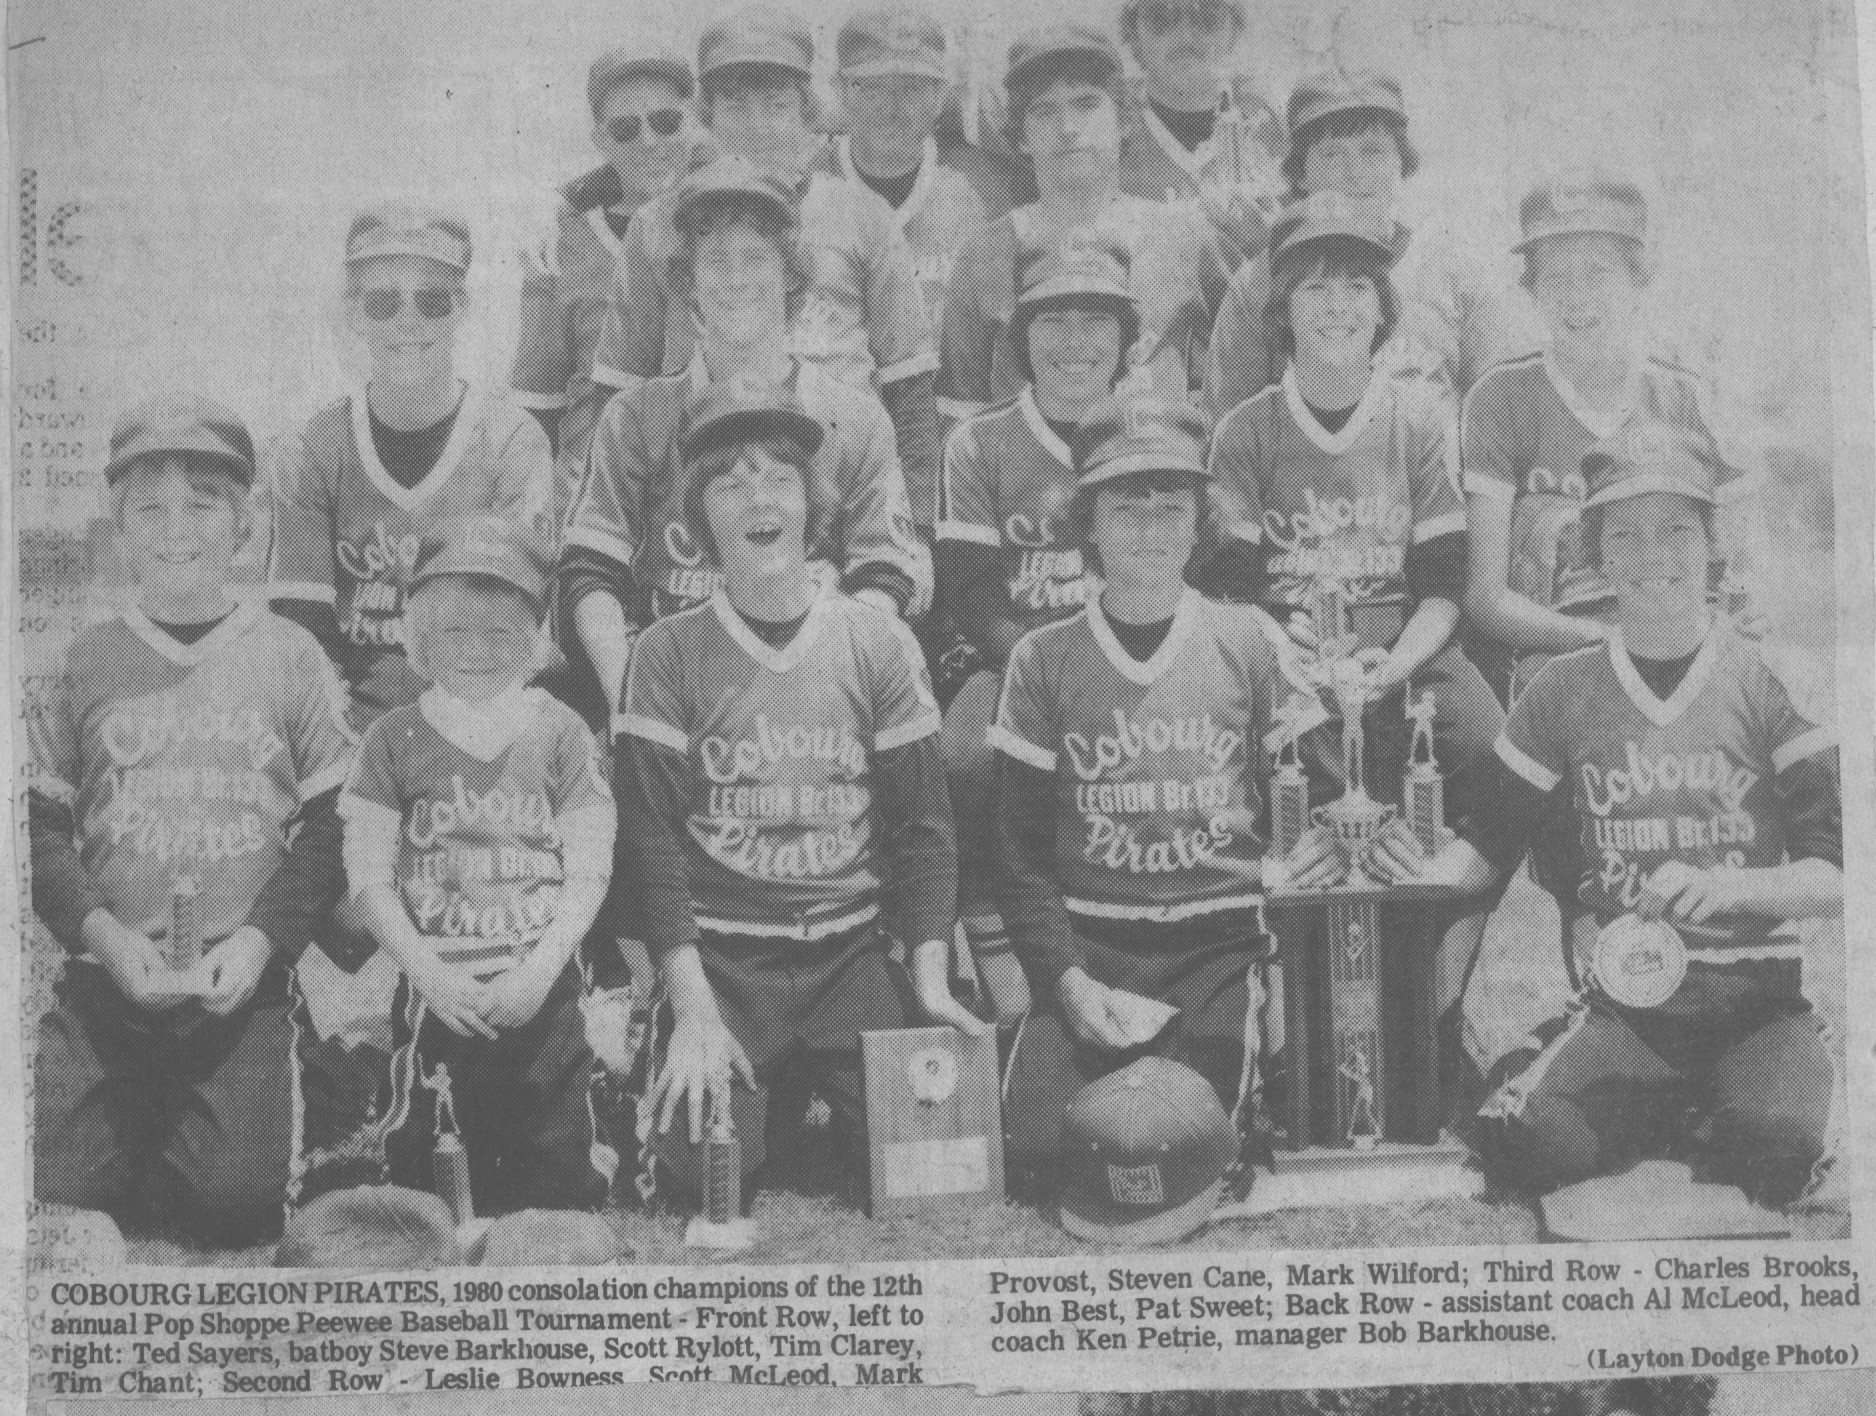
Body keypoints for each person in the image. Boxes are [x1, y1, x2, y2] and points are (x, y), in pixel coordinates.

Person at [1393, 424, 1840, 1210]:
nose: (1652, 554)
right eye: (1624, 534)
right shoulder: (1561, 690)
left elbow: (1837, 875)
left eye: (1675, 528)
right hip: (1629, 1006)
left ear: (1710, 543)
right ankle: (1647, 1102)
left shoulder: (1768, 677)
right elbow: (1484, 852)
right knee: (1525, 1146)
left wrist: (1731, 889)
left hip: (1756, 1004)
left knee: (1778, 1158)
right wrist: (1397, 867)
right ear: (1598, 556)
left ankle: (1721, 1100)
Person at [614, 382, 982, 1204]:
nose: (758, 498)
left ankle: (806, 1085)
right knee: (700, 1177)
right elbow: (653, 844)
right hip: (725, 958)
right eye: (729, 483)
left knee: (924, 1163)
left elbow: (925, 828)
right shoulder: (665, 652)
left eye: (779, 477)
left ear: (811, 504)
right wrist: (693, 1006)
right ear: (699, 519)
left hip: (846, 951)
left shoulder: (875, 638)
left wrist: (927, 974)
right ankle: (743, 1086)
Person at [1199, 195, 1504, 1105]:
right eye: (1314, 288)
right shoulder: (1247, 428)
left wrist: (1397, 664)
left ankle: (1441, 1006)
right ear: (1283, 312)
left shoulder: (1414, 418)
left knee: (1491, 755)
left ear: (1383, 309)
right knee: (1278, 790)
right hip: (1286, 647)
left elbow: (1444, 583)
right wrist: (1304, 661)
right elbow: (1241, 591)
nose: (1335, 306)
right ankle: (1288, 1021)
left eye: (1355, 288)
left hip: (1403, 643)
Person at [29, 398, 355, 1247]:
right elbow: (41, 833)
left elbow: (330, 832)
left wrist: (260, 944)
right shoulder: (81, 657)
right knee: (58, 1192)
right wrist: (101, 932)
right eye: (151, 508)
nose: (177, 529)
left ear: (243, 524)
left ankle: (257, 1099)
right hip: (111, 974)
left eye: (204, 504)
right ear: (120, 530)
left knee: (231, 1210)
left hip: (233, 983)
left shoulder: (289, 654)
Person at [992, 390, 1322, 1158]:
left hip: (1217, 942)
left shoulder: (1247, 638)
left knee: (1194, 1133)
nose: (1148, 530)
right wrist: (1068, 984)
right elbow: (1018, 856)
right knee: (1040, 1149)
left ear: (1200, 524)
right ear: (1089, 526)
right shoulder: (1042, 659)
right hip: (1094, 943)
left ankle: (1259, 1045)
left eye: (1170, 508)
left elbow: (1318, 785)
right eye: (1125, 509)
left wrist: (1290, 868)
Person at [561, 160, 924, 720]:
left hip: (810, 701)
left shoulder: (853, 415)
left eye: (758, 259)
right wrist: (632, 702)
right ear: (687, 283)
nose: (737, 280)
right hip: (669, 687)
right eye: (716, 262)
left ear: (792, 279)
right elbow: (590, 573)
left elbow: (884, 575)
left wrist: (819, 682)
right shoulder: (637, 414)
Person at [333, 514, 617, 1214]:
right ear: (420, 639)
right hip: (440, 990)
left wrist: (541, 969)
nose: (477, 650)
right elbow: (369, 879)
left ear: (533, 639)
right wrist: (428, 974)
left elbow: (589, 869)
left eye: (500, 632)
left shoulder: (559, 730)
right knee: (426, 1188)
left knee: (558, 1188)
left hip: (539, 988)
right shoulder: (391, 738)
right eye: (454, 631)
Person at [588, 6, 940, 546]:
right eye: (733, 103)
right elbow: (620, 394)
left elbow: (909, 396)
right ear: (704, 114)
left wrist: (912, 533)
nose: (753, 126)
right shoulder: (657, 225)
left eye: (775, 105)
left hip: (838, 488)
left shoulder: (862, 214)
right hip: (704, 498)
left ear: (807, 111)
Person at [934, 240, 1146, 1027]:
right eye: (1052, 321)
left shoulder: (1148, 432)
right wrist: (1044, 672)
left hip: (1132, 653)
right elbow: (972, 594)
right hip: (1015, 652)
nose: (1075, 342)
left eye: (1097, 321)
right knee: (964, 757)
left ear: (1128, 340)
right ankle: (1007, 986)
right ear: (1021, 339)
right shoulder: (980, 442)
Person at [1461, 172, 1755, 699]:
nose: (1577, 297)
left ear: (1639, 279)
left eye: (1596, 274)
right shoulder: (1500, 398)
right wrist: (1618, 641)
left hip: (1681, 647)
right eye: (1556, 279)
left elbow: (1738, 580)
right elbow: (1486, 598)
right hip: (1558, 659)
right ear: (1530, 288)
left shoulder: (1686, 398)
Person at [270, 205, 555, 732]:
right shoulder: (312, 447)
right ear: (353, 313)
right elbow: (300, 630)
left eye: (431, 300)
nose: (408, 321)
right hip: (350, 722)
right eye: (382, 303)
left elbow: (518, 624)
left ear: (461, 308)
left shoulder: (512, 441)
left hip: (478, 712)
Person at [939, 25, 1233, 424]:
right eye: (1044, 111)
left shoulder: (1184, 236)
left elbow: (1238, 378)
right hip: (1033, 479)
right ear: (1022, 137)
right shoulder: (986, 252)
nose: (1068, 128)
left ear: (1124, 121)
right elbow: (961, 411)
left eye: (1086, 104)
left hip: (1154, 476)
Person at [1204, 68, 1533, 417]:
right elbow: (1230, 437)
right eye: (1332, 154)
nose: (1354, 172)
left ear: (1401, 162)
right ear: (1301, 173)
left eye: (1373, 152)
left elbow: (1506, 418)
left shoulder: (1454, 270)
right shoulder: (1261, 281)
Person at [510, 46, 703, 513]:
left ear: (692, 122)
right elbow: (540, 402)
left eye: (665, 122)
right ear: (600, 139)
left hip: (703, 476)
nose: (649, 142)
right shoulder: (565, 240)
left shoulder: (725, 223)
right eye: (625, 129)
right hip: (593, 487)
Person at [825, 6, 994, 361]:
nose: (891, 108)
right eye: (872, 89)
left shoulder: (975, 194)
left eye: (911, 89)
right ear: (840, 90)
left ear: (938, 97)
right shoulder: (809, 185)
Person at [1115, 0, 1283, 265]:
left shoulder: (1269, 125)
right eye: (1161, 18)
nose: (1185, 38)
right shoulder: (1110, 125)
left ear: (1233, 31)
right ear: (1134, 35)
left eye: (1208, 17)